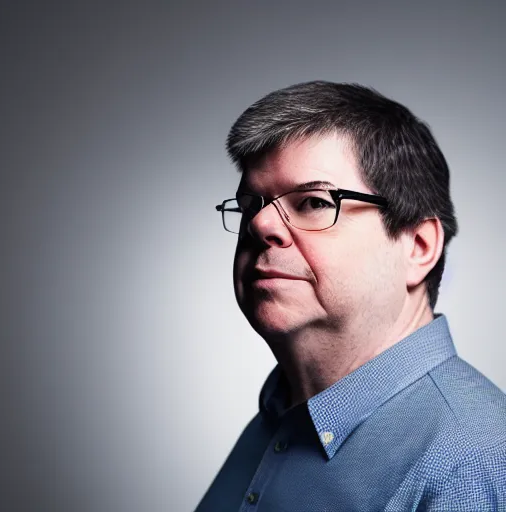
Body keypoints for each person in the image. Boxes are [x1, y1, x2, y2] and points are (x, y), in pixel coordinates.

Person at [195, 81, 506, 511]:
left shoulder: (472, 463)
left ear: (417, 247)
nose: (260, 223)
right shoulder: (282, 414)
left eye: (313, 202)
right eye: (251, 204)